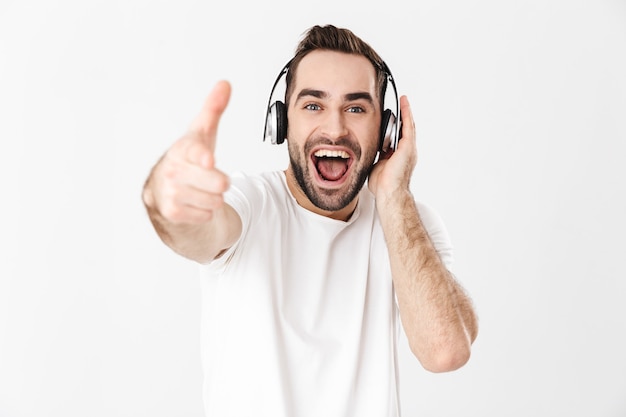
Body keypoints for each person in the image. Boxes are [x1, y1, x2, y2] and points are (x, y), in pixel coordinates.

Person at [142, 24, 478, 417]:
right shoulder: (249, 204)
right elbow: (198, 231)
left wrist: (393, 195)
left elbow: (445, 350)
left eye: (356, 108)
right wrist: (166, 200)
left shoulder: (407, 222)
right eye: (313, 105)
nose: (335, 129)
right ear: (282, 122)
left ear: (386, 131)